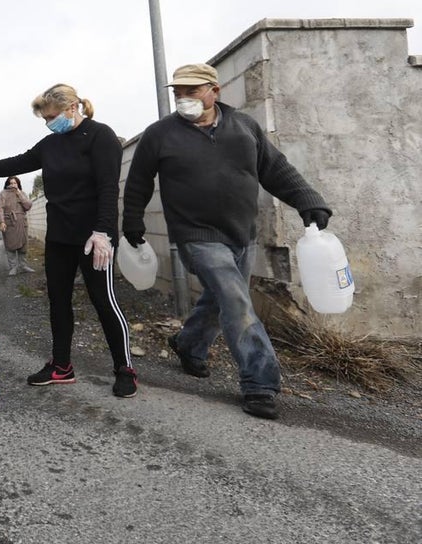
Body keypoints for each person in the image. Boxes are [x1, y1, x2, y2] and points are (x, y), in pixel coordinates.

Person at [122, 63, 333, 420]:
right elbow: (138, 182)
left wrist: (307, 199)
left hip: (242, 233)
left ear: (214, 91)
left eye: (192, 91)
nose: (183, 99)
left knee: (221, 299)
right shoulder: (160, 134)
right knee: (236, 300)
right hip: (195, 235)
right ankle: (260, 382)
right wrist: (132, 222)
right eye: (178, 93)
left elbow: (276, 168)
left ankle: (189, 344)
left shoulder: (244, 127)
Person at [0, 84, 138, 398]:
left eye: (52, 116)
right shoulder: (51, 144)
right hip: (60, 236)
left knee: (103, 301)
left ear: (72, 107)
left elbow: (108, 188)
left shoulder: (100, 136)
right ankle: (61, 366)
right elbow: (16, 163)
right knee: (58, 301)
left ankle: (124, 368)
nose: (49, 123)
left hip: (94, 237)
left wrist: (104, 232)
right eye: (45, 118)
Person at [0, 176, 35, 276]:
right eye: (11, 183)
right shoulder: (3, 194)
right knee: (10, 245)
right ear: (7, 184)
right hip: (9, 222)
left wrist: (19, 194)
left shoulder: (22, 193)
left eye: (15, 183)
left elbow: (28, 206)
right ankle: (13, 267)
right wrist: (1, 222)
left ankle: (23, 266)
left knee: (23, 245)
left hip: (22, 222)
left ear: (18, 184)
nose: (13, 185)